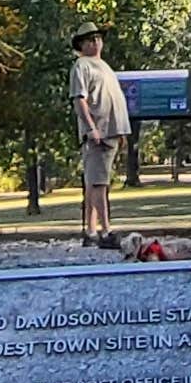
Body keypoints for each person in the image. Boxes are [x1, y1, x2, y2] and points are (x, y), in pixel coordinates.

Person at [69, 26, 130, 245]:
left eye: (97, 38)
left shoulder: (104, 66)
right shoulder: (81, 66)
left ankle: (91, 231)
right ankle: (105, 232)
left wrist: (121, 130)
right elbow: (79, 99)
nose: (95, 42)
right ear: (81, 45)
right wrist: (91, 127)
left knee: (97, 181)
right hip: (98, 132)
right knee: (98, 183)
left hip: (111, 131)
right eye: (89, 40)